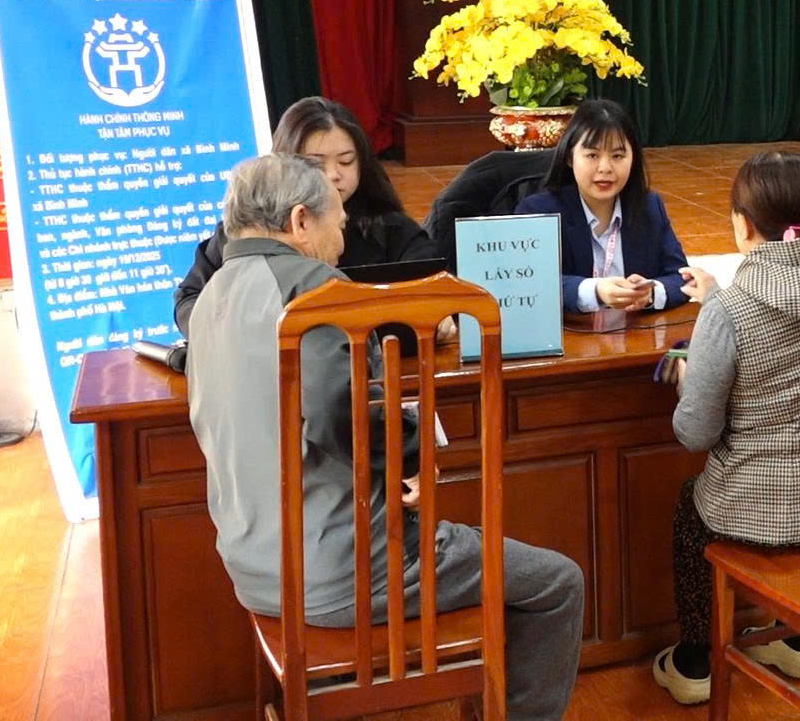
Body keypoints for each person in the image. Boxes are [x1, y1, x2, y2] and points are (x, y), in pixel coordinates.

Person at [187, 154, 585, 720]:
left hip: (251, 567)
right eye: (338, 223)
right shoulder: (314, 287)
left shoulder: (208, 298)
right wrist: (413, 452)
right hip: (347, 570)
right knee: (557, 583)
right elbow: (337, 416)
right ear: (300, 221)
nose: (342, 241)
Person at [651, 152, 800, 705]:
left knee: (690, 510)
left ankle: (695, 662)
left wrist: (688, 374)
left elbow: (695, 434)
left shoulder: (730, 311)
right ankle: (796, 640)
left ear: (743, 224)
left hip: (763, 511)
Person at [173, 96, 434, 334]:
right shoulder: (246, 232)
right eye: (316, 164)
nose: (333, 175)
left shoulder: (391, 229)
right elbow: (190, 300)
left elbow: (433, 292)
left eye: (346, 161)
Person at [517, 99, 694, 313]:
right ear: (570, 157)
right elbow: (529, 284)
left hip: (633, 331)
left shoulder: (649, 207)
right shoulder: (539, 212)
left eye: (618, 156)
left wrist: (650, 294)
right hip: (572, 332)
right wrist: (595, 291)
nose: (605, 168)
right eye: (592, 155)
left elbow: (682, 277)